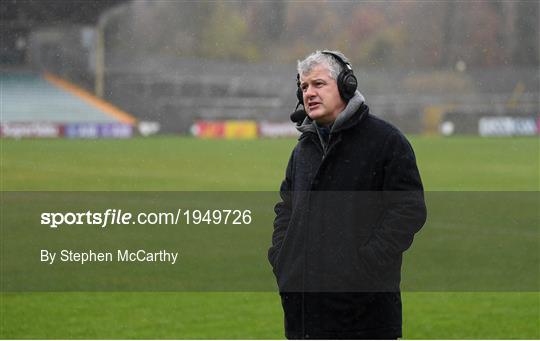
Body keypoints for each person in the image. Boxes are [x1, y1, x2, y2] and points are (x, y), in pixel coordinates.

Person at [268, 50, 427, 339]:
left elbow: (408, 209)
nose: (309, 93)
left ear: (346, 85)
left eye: (318, 84)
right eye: (304, 87)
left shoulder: (385, 141)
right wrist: (282, 258)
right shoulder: (303, 150)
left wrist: (365, 265)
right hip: (304, 316)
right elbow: (286, 209)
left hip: (365, 314)